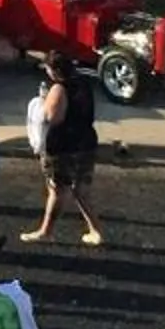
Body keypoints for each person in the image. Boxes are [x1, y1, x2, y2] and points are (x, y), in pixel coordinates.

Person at [21, 49, 103, 245]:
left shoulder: (59, 88)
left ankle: (46, 231)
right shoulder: (84, 83)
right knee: (81, 189)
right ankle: (95, 230)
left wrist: (44, 101)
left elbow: (53, 117)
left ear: (55, 70)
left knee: (57, 189)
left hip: (63, 145)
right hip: (86, 141)